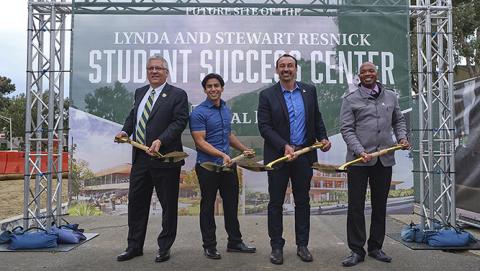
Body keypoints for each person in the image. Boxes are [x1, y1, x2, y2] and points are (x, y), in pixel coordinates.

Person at [257, 54, 331, 265]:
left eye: (290, 65)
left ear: (296, 69)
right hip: (279, 158)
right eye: (282, 66)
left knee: (302, 202)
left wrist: (323, 137)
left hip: (303, 156)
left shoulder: (309, 91)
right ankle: (276, 247)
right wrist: (284, 146)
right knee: (276, 203)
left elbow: (316, 117)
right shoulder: (267, 95)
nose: (286, 69)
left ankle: (302, 245)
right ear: (277, 70)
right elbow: (264, 127)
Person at [115, 54, 189, 263]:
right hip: (140, 158)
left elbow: (180, 121)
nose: (154, 71)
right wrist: (124, 131)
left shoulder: (177, 94)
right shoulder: (140, 92)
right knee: (136, 204)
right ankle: (134, 246)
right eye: (150, 68)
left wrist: (161, 140)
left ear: (166, 72)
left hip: (164, 158)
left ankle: (164, 247)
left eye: (158, 68)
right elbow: (134, 116)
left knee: (168, 205)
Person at [339, 62, 409, 267]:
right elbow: (346, 129)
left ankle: (376, 247)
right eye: (363, 72)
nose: (368, 74)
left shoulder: (391, 97)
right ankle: (356, 250)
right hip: (359, 161)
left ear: (376, 74)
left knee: (380, 206)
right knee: (356, 207)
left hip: (384, 160)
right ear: (359, 76)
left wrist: (402, 138)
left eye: (371, 71)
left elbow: (399, 121)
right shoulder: (350, 100)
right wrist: (360, 151)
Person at [189, 73, 256, 260]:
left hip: (228, 166)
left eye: (216, 85)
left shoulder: (226, 109)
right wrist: (221, 154)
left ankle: (235, 242)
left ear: (222, 88)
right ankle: (209, 246)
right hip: (208, 166)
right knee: (208, 206)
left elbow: (227, 135)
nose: (213, 89)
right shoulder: (199, 112)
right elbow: (200, 142)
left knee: (231, 204)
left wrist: (244, 149)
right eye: (209, 86)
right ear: (204, 90)